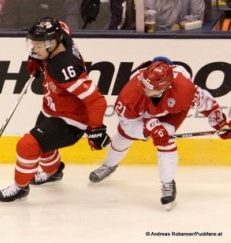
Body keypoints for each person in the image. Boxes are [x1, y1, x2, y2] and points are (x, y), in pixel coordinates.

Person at [89, 57, 231, 211]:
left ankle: (167, 183)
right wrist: (150, 127)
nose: (143, 88)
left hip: (172, 111)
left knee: (166, 138)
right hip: (140, 116)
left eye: (150, 87)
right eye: (143, 83)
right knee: (123, 136)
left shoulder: (184, 89)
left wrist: (220, 123)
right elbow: (128, 125)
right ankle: (109, 165)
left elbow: (206, 102)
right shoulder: (130, 95)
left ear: (165, 87)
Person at [0, 17, 111, 202]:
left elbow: (96, 101)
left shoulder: (66, 68)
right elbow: (60, 24)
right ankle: (53, 172)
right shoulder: (61, 35)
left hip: (70, 121)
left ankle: (20, 188)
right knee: (44, 148)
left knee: (28, 145)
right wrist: (37, 57)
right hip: (53, 107)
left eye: (38, 46)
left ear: (51, 44)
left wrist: (96, 129)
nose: (34, 49)